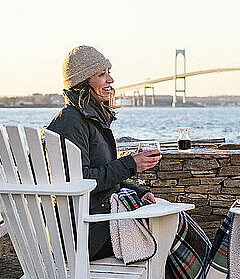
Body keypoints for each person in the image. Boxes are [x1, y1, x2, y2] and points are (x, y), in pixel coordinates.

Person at [47, 45, 160, 260]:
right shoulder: (70, 122)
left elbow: (99, 175)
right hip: (85, 234)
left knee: (173, 220)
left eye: (109, 72)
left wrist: (136, 190)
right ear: (83, 82)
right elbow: (81, 181)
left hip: (95, 221)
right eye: (102, 74)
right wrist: (130, 164)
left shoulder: (90, 118)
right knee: (166, 228)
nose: (111, 80)